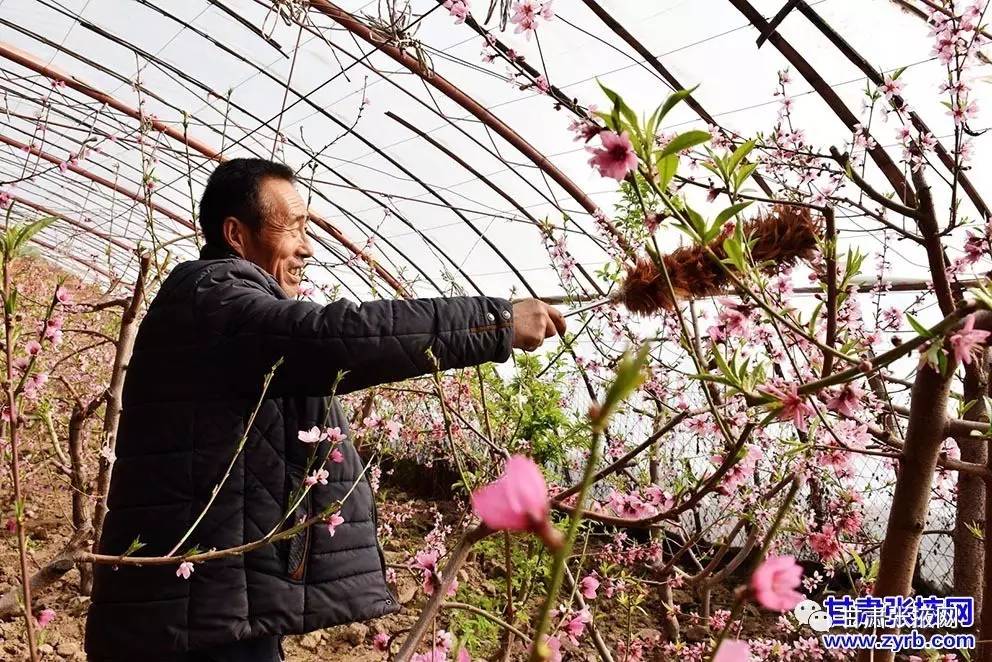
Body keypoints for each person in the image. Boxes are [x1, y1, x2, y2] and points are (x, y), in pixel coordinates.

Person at [84, 158, 565, 661]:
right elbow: (335, 337)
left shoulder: (222, 307)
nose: (307, 247)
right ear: (235, 234)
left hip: (210, 603)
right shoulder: (214, 297)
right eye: (291, 228)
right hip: (187, 623)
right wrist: (493, 323)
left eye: (306, 229)